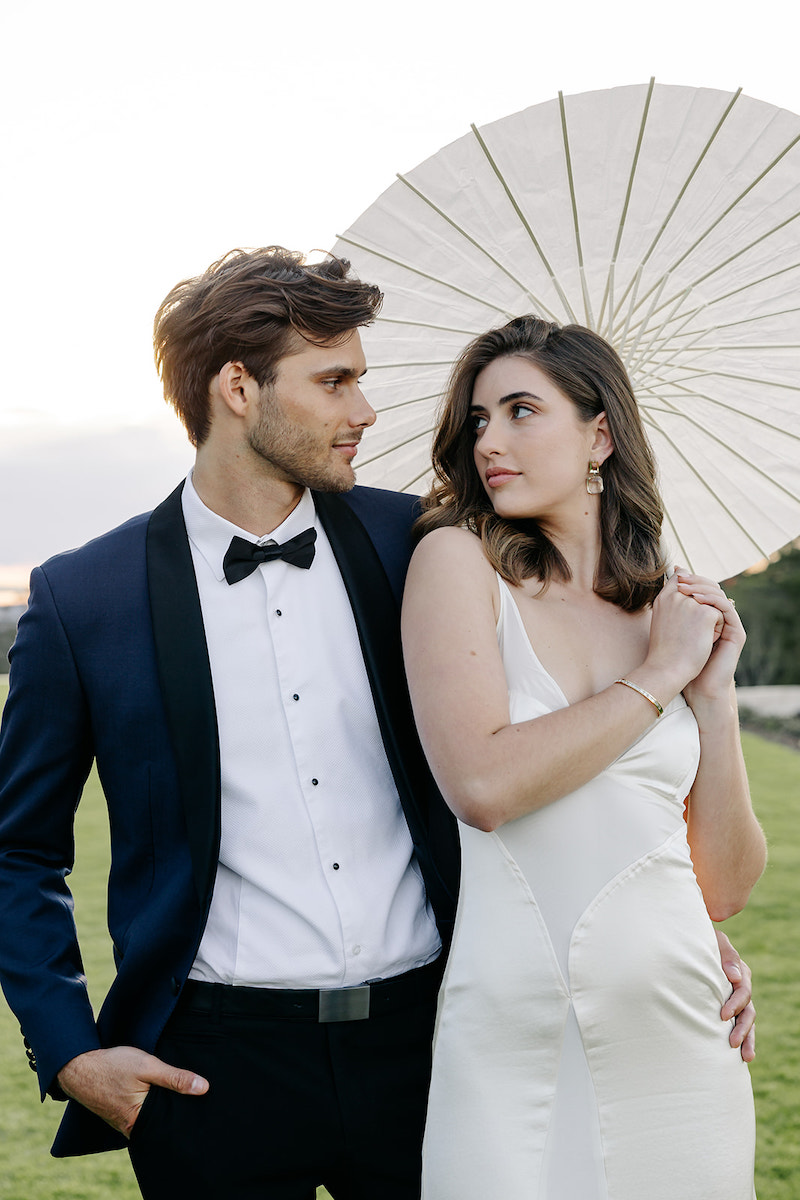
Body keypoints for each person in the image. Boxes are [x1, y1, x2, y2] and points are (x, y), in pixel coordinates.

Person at [0, 256, 753, 1200]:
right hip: (209, 1071)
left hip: (429, 1045)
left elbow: (532, 742)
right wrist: (71, 1053)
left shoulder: (427, 547)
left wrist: (668, 929)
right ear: (238, 388)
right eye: (335, 382)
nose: (364, 411)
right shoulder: (86, 598)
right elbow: (19, 853)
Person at [401, 316, 766, 1200]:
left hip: (682, 1033)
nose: (490, 440)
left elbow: (721, 888)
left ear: (599, 433)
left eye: (522, 410)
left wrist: (711, 697)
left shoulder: (669, 611)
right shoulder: (457, 563)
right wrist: (658, 679)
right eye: (478, 420)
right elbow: (483, 786)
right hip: (512, 1036)